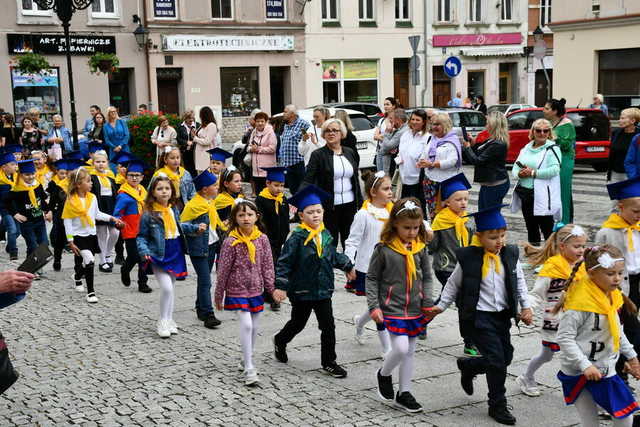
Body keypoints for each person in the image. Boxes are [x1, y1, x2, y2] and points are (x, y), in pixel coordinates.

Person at [425, 205, 534, 425]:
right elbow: (453, 285)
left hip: (502, 316)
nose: (499, 241)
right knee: (497, 361)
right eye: (493, 237)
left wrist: (526, 306)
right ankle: (497, 404)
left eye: (502, 236)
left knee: (506, 357)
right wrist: (440, 306)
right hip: (479, 318)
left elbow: (519, 282)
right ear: (479, 237)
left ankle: (470, 366)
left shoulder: (509, 255)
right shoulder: (469, 258)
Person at [272, 185, 355, 378]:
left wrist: (348, 266)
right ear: (301, 215)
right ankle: (280, 339)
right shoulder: (297, 238)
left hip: (323, 289)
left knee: (328, 326)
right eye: (310, 212)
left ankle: (329, 361)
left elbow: (332, 255)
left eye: (318, 211)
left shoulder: (325, 234)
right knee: (298, 323)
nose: (315, 215)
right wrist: (281, 287)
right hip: (301, 290)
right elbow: (284, 263)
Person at [556, 245, 640, 426]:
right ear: (592, 274)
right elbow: (564, 338)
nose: (617, 278)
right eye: (610, 274)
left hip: (605, 368)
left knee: (625, 416)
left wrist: (632, 357)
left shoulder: (613, 296)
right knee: (590, 422)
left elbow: (617, 331)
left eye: (620, 273)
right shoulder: (579, 304)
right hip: (578, 371)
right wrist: (585, 365)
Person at [368, 197, 434, 413]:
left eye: (416, 227)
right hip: (392, 307)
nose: (412, 232)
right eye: (407, 227)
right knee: (401, 347)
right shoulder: (384, 249)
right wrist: (374, 305)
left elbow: (427, 276)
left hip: (415, 308)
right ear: (395, 224)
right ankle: (384, 374)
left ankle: (404, 393)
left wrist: (428, 301)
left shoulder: (420, 248)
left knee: (410, 352)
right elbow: (372, 278)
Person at [516, 223, 587, 398]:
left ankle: (589, 392)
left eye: (583, 246)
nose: (581, 250)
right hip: (557, 321)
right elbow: (537, 294)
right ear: (562, 246)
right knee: (547, 356)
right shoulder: (551, 268)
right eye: (576, 246)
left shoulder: (583, 266)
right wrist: (526, 308)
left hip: (579, 321)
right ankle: (526, 377)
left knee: (581, 356)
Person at [215, 200, 275, 386]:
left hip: (256, 289)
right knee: (247, 325)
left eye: (249, 214)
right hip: (236, 289)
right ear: (235, 218)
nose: (246, 218)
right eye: (241, 215)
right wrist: (219, 294)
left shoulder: (262, 239)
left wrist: (271, 288)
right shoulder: (230, 241)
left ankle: (245, 357)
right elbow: (223, 269)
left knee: (255, 327)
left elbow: (267, 265)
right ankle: (249, 367)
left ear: (257, 217)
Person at [346, 170, 393, 357]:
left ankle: (359, 321)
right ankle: (387, 349)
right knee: (380, 306)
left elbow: (414, 220)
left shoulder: (393, 211)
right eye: (386, 189)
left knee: (380, 304)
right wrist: (348, 264)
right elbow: (352, 241)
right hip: (368, 268)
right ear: (374, 192)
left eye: (391, 188)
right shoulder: (363, 215)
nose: (390, 192)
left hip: (390, 266)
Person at [429, 173, 476, 355]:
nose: (463, 203)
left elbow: (472, 242)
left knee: (443, 300)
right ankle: (469, 342)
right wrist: (430, 236)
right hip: (446, 268)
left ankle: (420, 322)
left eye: (465, 199)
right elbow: (432, 247)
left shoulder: (467, 219)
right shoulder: (440, 221)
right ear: (447, 202)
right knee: (463, 304)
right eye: (458, 199)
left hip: (464, 267)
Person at [137, 174, 188, 338]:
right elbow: (141, 236)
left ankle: (170, 319)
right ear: (153, 192)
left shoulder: (174, 209)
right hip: (159, 254)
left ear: (172, 191)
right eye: (160, 189)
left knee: (171, 288)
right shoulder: (149, 214)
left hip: (175, 251)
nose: (164, 192)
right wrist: (144, 251)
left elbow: (179, 227)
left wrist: (194, 228)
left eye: (167, 188)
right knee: (166, 288)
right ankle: (162, 320)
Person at [62, 167, 123, 303]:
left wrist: (112, 218)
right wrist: (70, 241)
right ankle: (91, 292)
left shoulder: (93, 197)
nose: (91, 184)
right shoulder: (70, 200)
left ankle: (77, 276)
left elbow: (97, 214)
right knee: (89, 260)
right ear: (78, 184)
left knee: (88, 262)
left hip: (91, 235)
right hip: (78, 237)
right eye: (88, 181)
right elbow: (68, 222)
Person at [303, 118, 362, 249]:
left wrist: (361, 204)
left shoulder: (349, 152)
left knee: (350, 241)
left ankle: (350, 268)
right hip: (329, 206)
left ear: (342, 133)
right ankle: (328, 268)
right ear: (323, 135)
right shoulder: (318, 155)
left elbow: (356, 180)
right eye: (327, 131)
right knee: (330, 242)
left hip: (350, 205)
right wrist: (300, 201)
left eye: (335, 130)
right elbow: (308, 179)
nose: (331, 133)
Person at [179, 170, 223, 329]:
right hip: (199, 248)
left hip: (212, 245)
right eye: (215, 185)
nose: (217, 188)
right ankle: (208, 314)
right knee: (206, 281)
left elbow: (215, 223)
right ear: (205, 189)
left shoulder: (210, 203)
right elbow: (181, 225)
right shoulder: (193, 205)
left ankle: (200, 307)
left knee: (204, 281)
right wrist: (195, 227)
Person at [511, 118, 562, 246]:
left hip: (543, 194)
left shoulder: (552, 148)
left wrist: (533, 173)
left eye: (546, 131)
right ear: (533, 132)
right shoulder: (527, 148)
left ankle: (551, 258)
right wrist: (519, 174)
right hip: (525, 193)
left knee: (547, 229)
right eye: (538, 130)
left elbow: (555, 170)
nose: (542, 133)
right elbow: (515, 167)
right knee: (531, 227)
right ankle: (534, 258)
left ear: (550, 132)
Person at [596, 176, 640, 305]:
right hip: (621, 284)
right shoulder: (606, 233)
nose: (639, 216)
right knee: (628, 322)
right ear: (621, 207)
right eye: (635, 211)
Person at [113, 158, 152, 293]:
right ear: (126, 176)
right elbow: (116, 213)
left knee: (144, 257)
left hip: (144, 230)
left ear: (142, 177)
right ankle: (125, 269)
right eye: (131, 175)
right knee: (134, 256)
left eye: (137, 175)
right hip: (130, 230)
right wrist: (118, 222)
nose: (134, 178)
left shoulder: (143, 192)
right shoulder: (123, 195)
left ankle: (143, 283)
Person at [254, 166, 289, 311]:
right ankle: (274, 296)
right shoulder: (261, 200)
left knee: (275, 267)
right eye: (276, 185)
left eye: (281, 185)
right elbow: (260, 222)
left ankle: (268, 293)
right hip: (267, 240)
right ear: (267, 183)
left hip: (280, 240)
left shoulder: (283, 199)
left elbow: (285, 219)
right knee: (272, 268)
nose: (279, 189)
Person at [462, 111, 510, 210]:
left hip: (495, 184)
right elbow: (480, 153)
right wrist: (472, 142)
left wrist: (467, 148)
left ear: (493, 125)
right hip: (488, 183)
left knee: (490, 214)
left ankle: (497, 226)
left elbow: (478, 161)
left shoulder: (498, 143)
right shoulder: (492, 140)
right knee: (483, 212)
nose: (486, 125)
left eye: (487, 122)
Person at [419, 112, 462, 221]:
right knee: (432, 212)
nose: (434, 127)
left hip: (445, 182)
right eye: (433, 124)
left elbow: (453, 161)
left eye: (438, 124)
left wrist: (432, 164)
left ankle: (444, 234)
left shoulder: (452, 140)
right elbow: (425, 153)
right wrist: (422, 161)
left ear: (445, 125)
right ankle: (435, 233)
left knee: (444, 212)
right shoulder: (433, 139)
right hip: (430, 180)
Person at [8, 159, 50, 263]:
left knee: (44, 243)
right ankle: (31, 268)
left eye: (32, 174)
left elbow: (43, 200)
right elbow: (7, 202)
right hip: (27, 223)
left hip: (40, 221)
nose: (31, 177)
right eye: (27, 174)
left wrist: (48, 211)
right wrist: (16, 214)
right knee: (32, 245)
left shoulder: (37, 185)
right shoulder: (17, 190)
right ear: (21, 175)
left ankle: (36, 266)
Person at [544, 98, 575, 224]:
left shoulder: (567, 124)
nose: (543, 110)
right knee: (554, 192)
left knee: (563, 192)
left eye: (546, 108)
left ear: (555, 111)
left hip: (564, 161)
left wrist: (555, 138)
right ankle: (559, 221)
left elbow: (567, 145)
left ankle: (565, 223)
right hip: (552, 160)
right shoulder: (549, 123)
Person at [47, 159, 82, 272]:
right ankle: (57, 259)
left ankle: (78, 265)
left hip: (78, 216)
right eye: (71, 171)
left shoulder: (82, 185)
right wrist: (50, 211)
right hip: (62, 216)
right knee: (59, 239)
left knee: (79, 240)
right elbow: (52, 202)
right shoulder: (60, 186)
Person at [89, 150, 119, 273]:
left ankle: (108, 253)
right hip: (99, 206)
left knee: (115, 233)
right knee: (101, 234)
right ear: (93, 163)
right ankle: (102, 260)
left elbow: (115, 192)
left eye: (103, 161)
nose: (100, 164)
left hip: (111, 206)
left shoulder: (111, 176)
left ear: (107, 162)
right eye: (97, 162)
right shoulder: (91, 177)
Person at [397, 110, 431, 213]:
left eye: (418, 120)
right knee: (404, 210)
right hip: (404, 177)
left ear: (424, 122)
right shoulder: (405, 135)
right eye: (412, 119)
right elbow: (400, 152)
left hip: (418, 180)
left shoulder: (427, 137)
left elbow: (425, 157)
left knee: (418, 210)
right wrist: (399, 158)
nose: (414, 122)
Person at [278, 105, 309, 194]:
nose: (283, 114)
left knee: (302, 189)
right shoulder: (286, 125)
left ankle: (304, 207)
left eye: (285, 112)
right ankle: (296, 207)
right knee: (293, 190)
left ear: (292, 114)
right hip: (287, 164)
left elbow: (308, 141)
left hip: (299, 163)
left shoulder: (304, 124)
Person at [153, 146, 195, 211]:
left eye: (178, 158)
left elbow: (192, 192)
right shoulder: (159, 175)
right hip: (165, 207)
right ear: (165, 160)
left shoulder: (185, 174)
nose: (176, 160)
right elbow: (151, 192)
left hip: (183, 206)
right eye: (172, 158)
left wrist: (191, 205)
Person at [248, 112, 277, 195]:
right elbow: (249, 146)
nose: (260, 123)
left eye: (262, 121)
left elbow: (272, 148)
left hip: (267, 169)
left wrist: (258, 149)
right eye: (257, 121)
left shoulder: (270, 133)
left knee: (267, 194)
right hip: (256, 170)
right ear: (255, 122)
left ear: (266, 122)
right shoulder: (254, 132)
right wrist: (251, 149)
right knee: (258, 193)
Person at [0, 152, 19, 260]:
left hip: (17, 209)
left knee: (19, 231)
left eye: (15, 164)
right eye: (12, 164)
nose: (15, 166)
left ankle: (9, 246)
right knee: (12, 229)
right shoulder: (0, 180)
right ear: (4, 167)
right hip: (5, 209)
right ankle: (13, 252)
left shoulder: (17, 177)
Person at [379, 109, 408, 175]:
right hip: (392, 162)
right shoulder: (398, 129)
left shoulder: (401, 131)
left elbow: (387, 146)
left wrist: (386, 132)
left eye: (392, 118)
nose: (390, 121)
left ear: (398, 120)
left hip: (395, 164)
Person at [374, 97, 398, 171]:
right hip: (380, 150)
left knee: (389, 176)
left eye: (388, 104)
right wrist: (386, 137)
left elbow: (396, 136)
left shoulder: (397, 119)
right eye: (384, 104)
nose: (385, 106)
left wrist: (381, 136)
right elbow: (375, 136)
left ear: (393, 106)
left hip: (392, 153)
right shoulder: (381, 120)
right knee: (380, 176)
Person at [193, 107, 218, 174]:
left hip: (206, 154)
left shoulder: (212, 125)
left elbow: (207, 141)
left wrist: (195, 138)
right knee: (200, 174)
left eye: (201, 115)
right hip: (200, 154)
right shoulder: (202, 126)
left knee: (206, 174)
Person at [176, 110, 199, 176]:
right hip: (185, 151)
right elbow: (178, 138)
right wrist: (186, 142)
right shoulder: (180, 126)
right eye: (189, 118)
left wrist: (194, 138)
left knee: (195, 168)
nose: (191, 119)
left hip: (195, 151)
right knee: (186, 168)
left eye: (192, 117)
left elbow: (200, 137)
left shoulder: (197, 125)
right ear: (185, 118)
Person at [620, 108, 640, 179]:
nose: (620, 120)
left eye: (622, 118)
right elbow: (629, 162)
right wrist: (634, 178)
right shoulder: (637, 138)